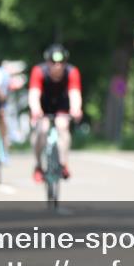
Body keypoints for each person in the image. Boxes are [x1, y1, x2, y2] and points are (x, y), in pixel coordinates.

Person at [28, 43, 83, 182]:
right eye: (53, 62)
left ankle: (63, 163)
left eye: (61, 62)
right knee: (42, 130)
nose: (57, 66)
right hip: (43, 105)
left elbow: (75, 93)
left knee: (62, 127)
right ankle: (39, 166)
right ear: (47, 62)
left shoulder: (72, 72)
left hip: (62, 105)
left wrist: (76, 109)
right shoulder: (39, 71)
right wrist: (35, 110)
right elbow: (34, 94)